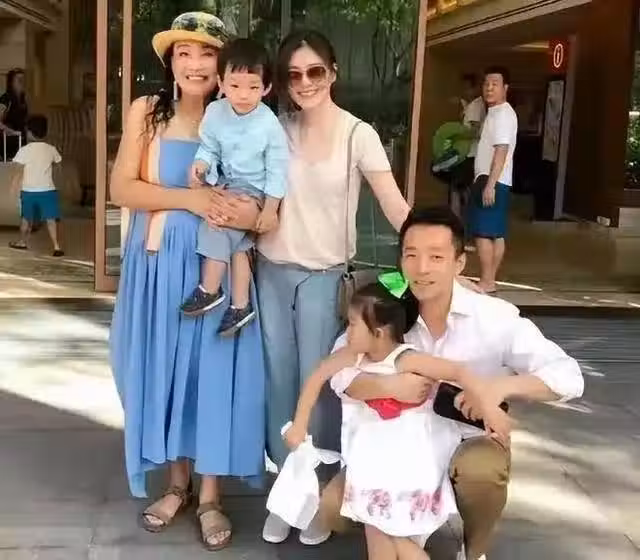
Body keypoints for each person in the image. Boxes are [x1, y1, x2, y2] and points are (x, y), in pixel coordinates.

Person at [318, 206, 584, 560]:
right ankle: (399, 535)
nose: (421, 268)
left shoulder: (493, 317)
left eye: (436, 257)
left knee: (481, 472)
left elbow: (568, 376)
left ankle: (473, 551)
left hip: (466, 439)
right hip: (400, 446)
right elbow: (339, 369)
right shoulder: (386, 308)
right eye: (411, 255)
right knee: (332, 508)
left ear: (459, 263)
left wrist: (497, 389)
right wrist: (386, 387)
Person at [108, 12, 265, 551]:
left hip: (216, 266)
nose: (195, 64)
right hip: (156, 265)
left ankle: (212, 494)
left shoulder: (241, 118)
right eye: (183, 53)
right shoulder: (147, 111)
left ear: (225, 64)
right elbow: (122, 189)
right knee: (165, 368)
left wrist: (248, 213)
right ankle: (178, 485)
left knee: (212, 371)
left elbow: (261, 199)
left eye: (206, 53)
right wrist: (190, 200)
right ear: (170, 62)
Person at [255, 29, 411, 544]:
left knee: (321, 385)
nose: (305, 82)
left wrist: (433, 252)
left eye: (315, 71)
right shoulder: (274, 129)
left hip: (326, 278)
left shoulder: (357, 134)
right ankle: (288, 494)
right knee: (278, 383)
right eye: (293, 75)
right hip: (271, 271)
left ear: (333, 72)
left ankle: (322, 498)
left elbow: (393, 204)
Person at [283, 281, 510, 560]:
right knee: (379, 532)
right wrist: (299, 424)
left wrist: (489, 408)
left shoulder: (405, 359)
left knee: (385, 531)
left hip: (407, 463)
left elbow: (459, 371)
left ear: (378, 332)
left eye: (352, 324)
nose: (347, 332)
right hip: (369, 461)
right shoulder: (350, 357)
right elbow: (317, 376)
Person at [180, 37, 288, 337]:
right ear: (221, 82)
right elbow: (209, 147)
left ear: (266, 88)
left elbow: (278, 171)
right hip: (226, 181)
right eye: (235, 85)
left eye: (253, 87)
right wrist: (201, 164)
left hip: (255, 189)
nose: (243, 94)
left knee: (218, 223)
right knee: (239, 247)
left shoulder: (269, 125)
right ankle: (241, 305)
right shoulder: (215, 112)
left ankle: (210, 289)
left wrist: (270, 209)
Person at [468, 66, 518, 294]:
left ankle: (487, 281)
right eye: (486, 84)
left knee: (483, 232)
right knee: (495, 232)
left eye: (495, 84)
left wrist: (490, 185)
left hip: (492, 179)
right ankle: (490, 279)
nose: (489, 88)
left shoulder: (502, 115)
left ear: (505, 88)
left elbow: (501, 150)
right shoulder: (498, 112)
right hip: (497, 179)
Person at [7, 115, 63, 256]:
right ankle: (56, 246)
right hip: (48, 190)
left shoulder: (24, 150)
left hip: (29, 191)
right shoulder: (51, 149)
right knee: (51, 219)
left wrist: (13, 187)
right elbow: (59, 166)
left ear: (29, 132)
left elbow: (18, 171)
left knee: (26, 219)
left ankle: (22, 242)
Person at [450, 74, 485, 219]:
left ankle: (457, 218)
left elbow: (475, 131)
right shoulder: (471, 105)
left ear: (475, 88)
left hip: (470, 154)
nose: (465, 91)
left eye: (467, 88)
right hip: (467, 153)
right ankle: (462, 217)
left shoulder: (476, 106)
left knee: (458, 187)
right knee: (461, 187)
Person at [0, 68, 28, 161]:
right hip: (8, 142)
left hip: (22, 141)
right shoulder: (6, 99)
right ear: (11, 83)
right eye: (19, 80)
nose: (22, 83)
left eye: (24, 80)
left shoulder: (24, 99)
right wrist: (11, 131)